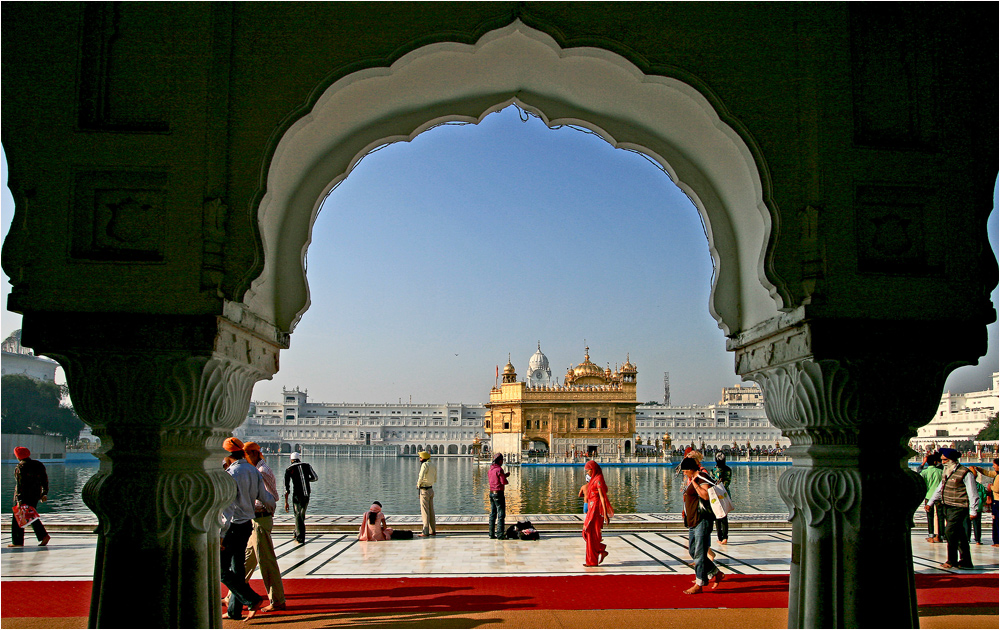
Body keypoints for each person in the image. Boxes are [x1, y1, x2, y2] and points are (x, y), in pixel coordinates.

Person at [220, 437, 275, 621]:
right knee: (237, 569)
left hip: (233, 526)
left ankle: (250, 598)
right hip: (246, 525)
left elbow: (227, 507)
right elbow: (266, 497)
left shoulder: (231, 474)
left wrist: (221, 533)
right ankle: (235, 611)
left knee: (220, 569)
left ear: (228, 455)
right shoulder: (253, 470)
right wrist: (271, 511)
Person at [242, 442, 286, 612]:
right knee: (247, 560)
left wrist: (249, 505)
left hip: (261, 519)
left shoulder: (262, 471)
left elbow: (272, 496)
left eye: (245, 455)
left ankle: (277, 600)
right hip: (255, 519)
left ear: (253, 454)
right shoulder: (257, 469)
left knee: (267, 562)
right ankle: (234, 595)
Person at [925, 447, 979, 569]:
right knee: (959, 534)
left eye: (945, 460)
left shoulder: (965, 473)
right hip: (948, 506)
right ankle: (966, 561)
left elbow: (972, 493)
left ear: (952, 460)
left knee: (949, 531)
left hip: (959, 507)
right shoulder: (946, 471)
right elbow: (940, 488)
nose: (942, 462)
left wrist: (973, 510)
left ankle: (952, 560)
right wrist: (931, 502)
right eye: (942, 460)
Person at [680, 457, 724, 594]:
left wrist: (695, 484)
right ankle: (715, 572)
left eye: (684, 471)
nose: (683, 473)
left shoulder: (701, 477)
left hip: (702, 520)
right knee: (693, 551)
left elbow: (705, 496)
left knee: (699, 553)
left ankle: (699, 583)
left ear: (689, 469)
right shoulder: (694, 478)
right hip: (693, 521)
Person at [8, 447, 50, 548]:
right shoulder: (38, 464)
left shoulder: (21, 467)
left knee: (19, 518)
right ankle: (41, 536)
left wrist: (19, 499)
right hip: (35, 494)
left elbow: (20, 485)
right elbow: (45, 479)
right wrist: (44, 493)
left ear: (18, 455)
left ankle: (19, 541)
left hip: (24, 495)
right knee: (29, 514)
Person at [579, 460, 613, 567]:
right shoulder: (593, 479)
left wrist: (606, 514)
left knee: (590, 532)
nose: (587, 473)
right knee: (587, 533)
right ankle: (599, 551)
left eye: (588, 470)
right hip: (590, 508)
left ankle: (593, 560)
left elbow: (602, 497)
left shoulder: (598, 480)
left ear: (593, 469)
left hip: (596, 509)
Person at [284, 451, 318, 544]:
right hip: (307, 494)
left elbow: (286, 488)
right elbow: (315, 478)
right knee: (301, 514)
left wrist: (286, 501)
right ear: (299, 458)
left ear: (291, 460)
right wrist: (307, 480)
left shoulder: (289, 469)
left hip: (297, 495)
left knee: (298, 514)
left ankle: (300, 537)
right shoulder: (307, 466)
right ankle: (297, 532)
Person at [917, 451, 946, 543]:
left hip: (928, 496)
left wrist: (923, 463)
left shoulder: (924, 472)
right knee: (940, 516)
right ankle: (941, 535)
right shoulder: (941, 472)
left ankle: (931, 535)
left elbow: (919, 477)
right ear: (935, 462)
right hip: (939, 497)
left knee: (930, 516)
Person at [969, 458, 998, 547]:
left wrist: (991, 487)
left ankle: (997, 541)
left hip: (996, 501)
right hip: (979, 506)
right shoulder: (981, 486)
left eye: (994, 465)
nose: (993, 466)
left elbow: (996, 489)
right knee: (977, 524)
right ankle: (978, 539)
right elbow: (988, 473)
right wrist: (978, 468)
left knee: (996, 521)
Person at [488, 453, 510, 539]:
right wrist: (505, 478)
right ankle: (500, 535)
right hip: (498, 493)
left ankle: (491, 534)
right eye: (502, 460)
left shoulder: (490, 470)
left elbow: (495, 479)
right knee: (501, 514)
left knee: (493, 513)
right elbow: (503, 482)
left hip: (491, 493)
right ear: (500, 460)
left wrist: (504, 475)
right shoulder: (499, 469)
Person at [714, 451, 733, 545]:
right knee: (724, 517)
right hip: (725, 494)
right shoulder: (728, 469)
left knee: (718, 517)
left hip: (717, 495)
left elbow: (712, 482)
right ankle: (724, 537)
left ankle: (720, 537)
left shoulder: (714, 470)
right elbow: (728, 482)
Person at [416, 451, 437, 537]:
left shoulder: (424, 465)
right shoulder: (433, 465)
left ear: (423, 458)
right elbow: (435, 478)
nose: (419, 459)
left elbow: (421, 476)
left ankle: (425, 531)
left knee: (425, 511)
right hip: (431, 489)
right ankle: (433, 530)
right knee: (431, 511)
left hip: (424, 490)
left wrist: (418, 484)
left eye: (420, 457)